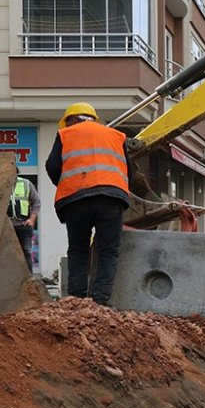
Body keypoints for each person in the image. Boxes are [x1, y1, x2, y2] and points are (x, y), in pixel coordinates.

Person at [45, 102, 132, 306]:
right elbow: (129, 170)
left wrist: (68, 183)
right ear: (94, 118)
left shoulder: (65, 135)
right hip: (112, 198)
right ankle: (100, 302)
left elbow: (52, 166)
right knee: (108, 251)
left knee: (78, 250)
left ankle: (77, 301)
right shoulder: (116, 135)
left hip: (77, 200)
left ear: (70, 120)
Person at [8, 168, 40, 270]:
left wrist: (32, 219)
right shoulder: (0, 185)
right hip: (7, 228)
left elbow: (36, 202)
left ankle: (28, 280)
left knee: (26, 252)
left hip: (23, 225)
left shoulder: (26, 184)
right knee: (8, 254)